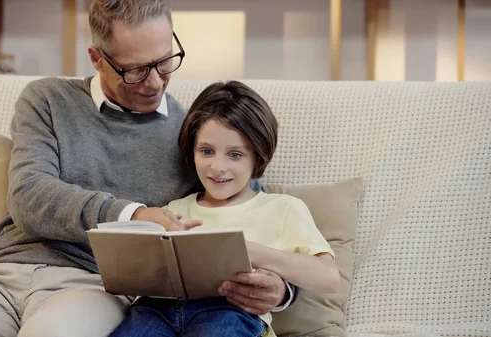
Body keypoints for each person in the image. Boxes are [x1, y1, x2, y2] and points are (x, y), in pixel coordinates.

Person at [0, 1, 296, 336]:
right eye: (136, 69)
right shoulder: (47, 99)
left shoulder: (192, 133)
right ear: (97, 58)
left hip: (93, 287)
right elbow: (29, 195)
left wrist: (282, 291)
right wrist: (134, 214)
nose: (155, 82)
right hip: (1, 277)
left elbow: (247, 202)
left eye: (165, 61)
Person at [108, 81, 340, 337]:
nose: (217, 167)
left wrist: (253, 253)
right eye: (206, 151)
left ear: (258, 157)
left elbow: (328, 278)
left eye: (235, 155)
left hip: (230, 311)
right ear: (192, 151)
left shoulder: (282, 208)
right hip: (156, 309)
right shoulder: (175, 208)